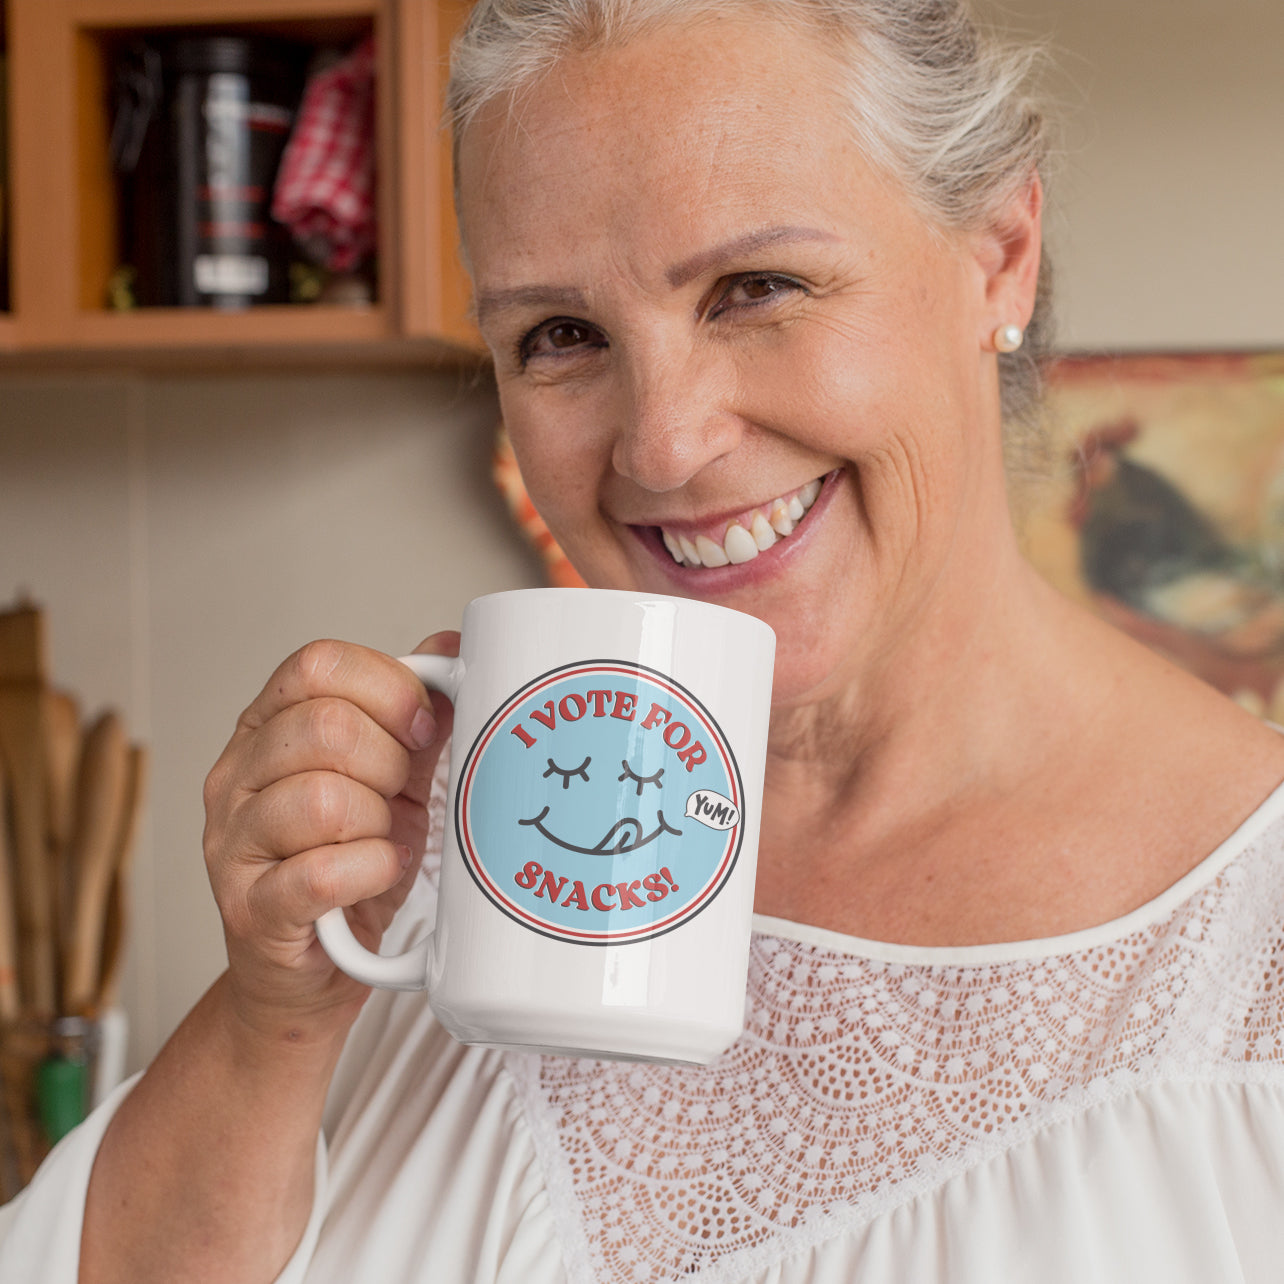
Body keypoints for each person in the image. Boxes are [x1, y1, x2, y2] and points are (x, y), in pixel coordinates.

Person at [5, 1, 1284, 1280]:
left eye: (757, 288)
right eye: (560, 336)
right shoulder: (431, 872)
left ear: (1000, 251)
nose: (663, 443)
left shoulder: (1255, 959)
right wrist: (270, 1021)